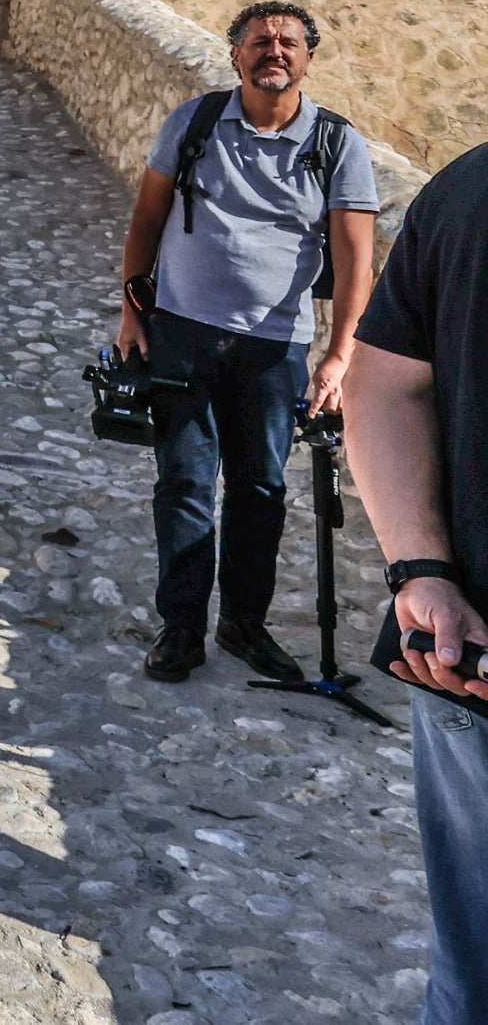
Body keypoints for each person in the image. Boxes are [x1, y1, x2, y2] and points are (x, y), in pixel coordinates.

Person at [116, 1, 378, 683]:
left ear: (308, 59)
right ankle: (180, 627)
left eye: (289, 42)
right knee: (183, 484)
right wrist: (131, 312)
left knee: (260, 489)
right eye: (259, 41)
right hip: (181, 333)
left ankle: (242, 623)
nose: (274, 50)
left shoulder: (338, 145)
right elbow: (147, 217)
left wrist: (340, 356)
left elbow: (356, 263)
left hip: (274, 347)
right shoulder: (195, 123)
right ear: (235, 56)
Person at [343, 138, 488, 1025]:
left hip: (460, 654)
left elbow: (381, 384)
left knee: (472, 971)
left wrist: (422, 571)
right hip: (464, 664)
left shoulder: (468, 184)